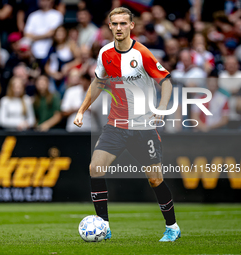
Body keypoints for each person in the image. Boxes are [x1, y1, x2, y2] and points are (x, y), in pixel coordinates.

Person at [73, 7, 180, 241]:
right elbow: (98, 83)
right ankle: (104, 226)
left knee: (155, 179)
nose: (119, 28)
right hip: (116, 125)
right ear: (109, 26)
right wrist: (82, 109)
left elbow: (167, 82)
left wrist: (162, 108)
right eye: (115, 24)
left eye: (123, 23)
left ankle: (172, 227)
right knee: (95, 168)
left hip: (143, 128)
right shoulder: (104, 53)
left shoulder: (142, 53)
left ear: (132, 26)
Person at [24, 0, 63, 70]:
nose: (42, 1)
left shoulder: (57, 15)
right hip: (33, 53)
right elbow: (27, 35)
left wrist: (34, 36)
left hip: (51, 52)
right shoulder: (33, 15)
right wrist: (45, 34)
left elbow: (52, 33)